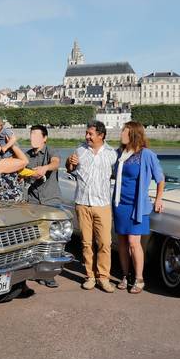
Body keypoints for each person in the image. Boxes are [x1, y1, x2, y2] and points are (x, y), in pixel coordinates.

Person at [112, 121, 165, 294]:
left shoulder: (146, 154)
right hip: (120, 204)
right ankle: (125, 276)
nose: (121, 134)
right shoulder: (119, 153)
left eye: (124, 131)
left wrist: (158, 199)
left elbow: (160, 178)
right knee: (121, 242)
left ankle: (139, 278)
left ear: (133, 134)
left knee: (134, 243)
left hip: (137, 205)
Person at [66, 120, 119, 292]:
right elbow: (70, 169)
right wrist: (70, 163)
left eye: (90, 134)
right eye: (86, 133)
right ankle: (90, 276)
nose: (87, 136)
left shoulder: (112, 154)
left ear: (101, 135)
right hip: (82, 203)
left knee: (105, 243)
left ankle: (103, 278)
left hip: (102, 204)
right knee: (86, 243)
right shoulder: (79, 150)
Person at [25, 124, 62, 287]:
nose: (33, 138)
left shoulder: (51, 150)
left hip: (50, 201)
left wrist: (45, 168)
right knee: (34, 239)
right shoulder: (26, 155)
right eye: (31, 135)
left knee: (52, 239)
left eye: (36, 135)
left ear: (44, 138)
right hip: (32, 201)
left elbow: (56, 163)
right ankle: (33, 271)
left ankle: (49, 274)